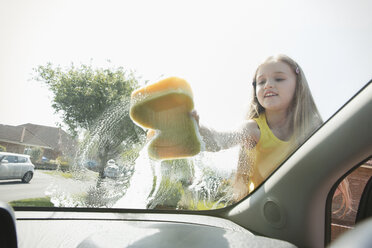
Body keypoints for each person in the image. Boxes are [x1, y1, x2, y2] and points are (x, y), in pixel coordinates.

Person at [193, 54, 350, 207]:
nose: (268, 84)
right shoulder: (252, 129)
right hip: (260, 212)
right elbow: (217, 141)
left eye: (279, 79)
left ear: (298, 85)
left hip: (297, 213)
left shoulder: (311, 132)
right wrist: (195, 127)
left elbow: (329, 180)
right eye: (261, 82)